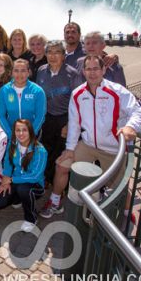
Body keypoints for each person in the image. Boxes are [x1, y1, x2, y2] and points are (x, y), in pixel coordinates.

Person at [41, 55, 141, 219]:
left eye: (96, 68)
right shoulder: (78, 94)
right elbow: (74, 123)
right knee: (62, 165)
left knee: (119, 185)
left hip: (113, 148)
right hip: (88, 145)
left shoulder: (117, 91)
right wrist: (69, 149)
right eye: (88, 69)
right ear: (83, 71)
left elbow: (137, 111)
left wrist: (131, 127)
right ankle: (54, 202)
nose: (92, 73)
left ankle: (126, 212)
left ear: (103, 70)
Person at [36, 41, 81, 183]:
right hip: (47, 118)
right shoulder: (41, 70)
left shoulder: (73, 74)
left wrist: (69, 124)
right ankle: (47, 180)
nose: (52, 56)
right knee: (46, 149)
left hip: (64, 119)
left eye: (57, 52)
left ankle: (60, 185)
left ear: (63, 56)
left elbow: (77, 102)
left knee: (61, 153)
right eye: (49, 52)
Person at [0, 119, 47, 232]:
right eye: (18, 130)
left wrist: (11, 179)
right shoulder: (12, 144)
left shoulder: (40, 150)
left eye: (24, 130)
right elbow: (7, 163)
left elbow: (35, 176)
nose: (21, 133)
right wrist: (5, 178)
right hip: (15, 181)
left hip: (35, 185)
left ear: (31, 132)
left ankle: (31, 219)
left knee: (24, 190)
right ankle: (17, 200)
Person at [0, 59, 46, 138]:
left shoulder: (38, 91)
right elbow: (0, 115)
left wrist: (30, 134)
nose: (19, 74)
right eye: (16, 70)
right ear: (11, 72)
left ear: (28, 72)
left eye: (23, 70)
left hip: (32, 134)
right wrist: (10, 134)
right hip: (11, 134)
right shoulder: (4, 90)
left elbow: (40, 116)